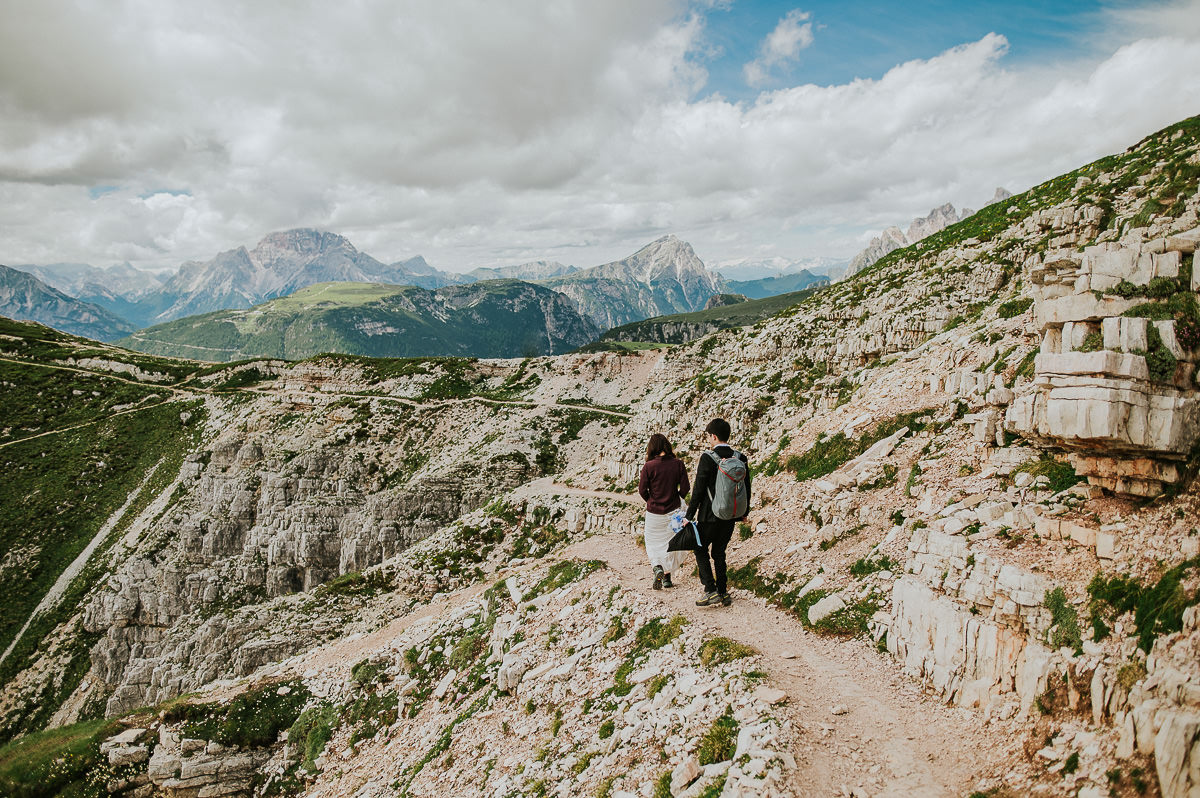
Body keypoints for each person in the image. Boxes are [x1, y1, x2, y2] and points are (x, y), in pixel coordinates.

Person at [685, 418, 751, 607]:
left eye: (709, 437)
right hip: (731, 515)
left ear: (714, 436)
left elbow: (698, 489)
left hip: (709, 515)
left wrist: (688, 516)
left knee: (700, 548)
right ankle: (723, 591)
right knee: (719, 552)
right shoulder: (740, 458)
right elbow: (746, 486)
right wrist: (744, 512)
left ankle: (710, 590)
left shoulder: (708, 457)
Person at [637, 433, 691, 590]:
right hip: (672, 512)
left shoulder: (649, 466)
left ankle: (657, 568)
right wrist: (676, 499)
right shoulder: (678, 464)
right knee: (670, 544)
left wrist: (651, 501)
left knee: (652, 543)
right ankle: (667, 578)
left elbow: (642, 490)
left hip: (654, 514)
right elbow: (686, 488)